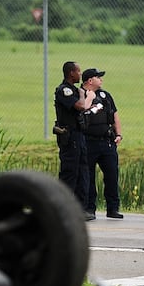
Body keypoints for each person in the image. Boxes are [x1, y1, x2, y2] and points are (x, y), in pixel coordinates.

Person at [80, 68, 123, 220]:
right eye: (98, 77)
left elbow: (114, 115)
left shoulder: (105, 96)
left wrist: (118, 134)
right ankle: (89, 208)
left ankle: (113, 208)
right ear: (90, 81)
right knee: (88, 177)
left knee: (112, 175)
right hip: (87, 142)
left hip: (107, 142)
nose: (101, 80)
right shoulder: (79, 95)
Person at [54, 61, 95, 221]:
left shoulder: (74, 90)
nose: (80, 74)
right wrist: (83, 94)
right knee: (69, 172)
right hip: (69, 136)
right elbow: (80, 106)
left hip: (79, 135)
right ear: (71, 73)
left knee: (82, 172)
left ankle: (80, 208)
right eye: (78, 71)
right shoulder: (65, 90)